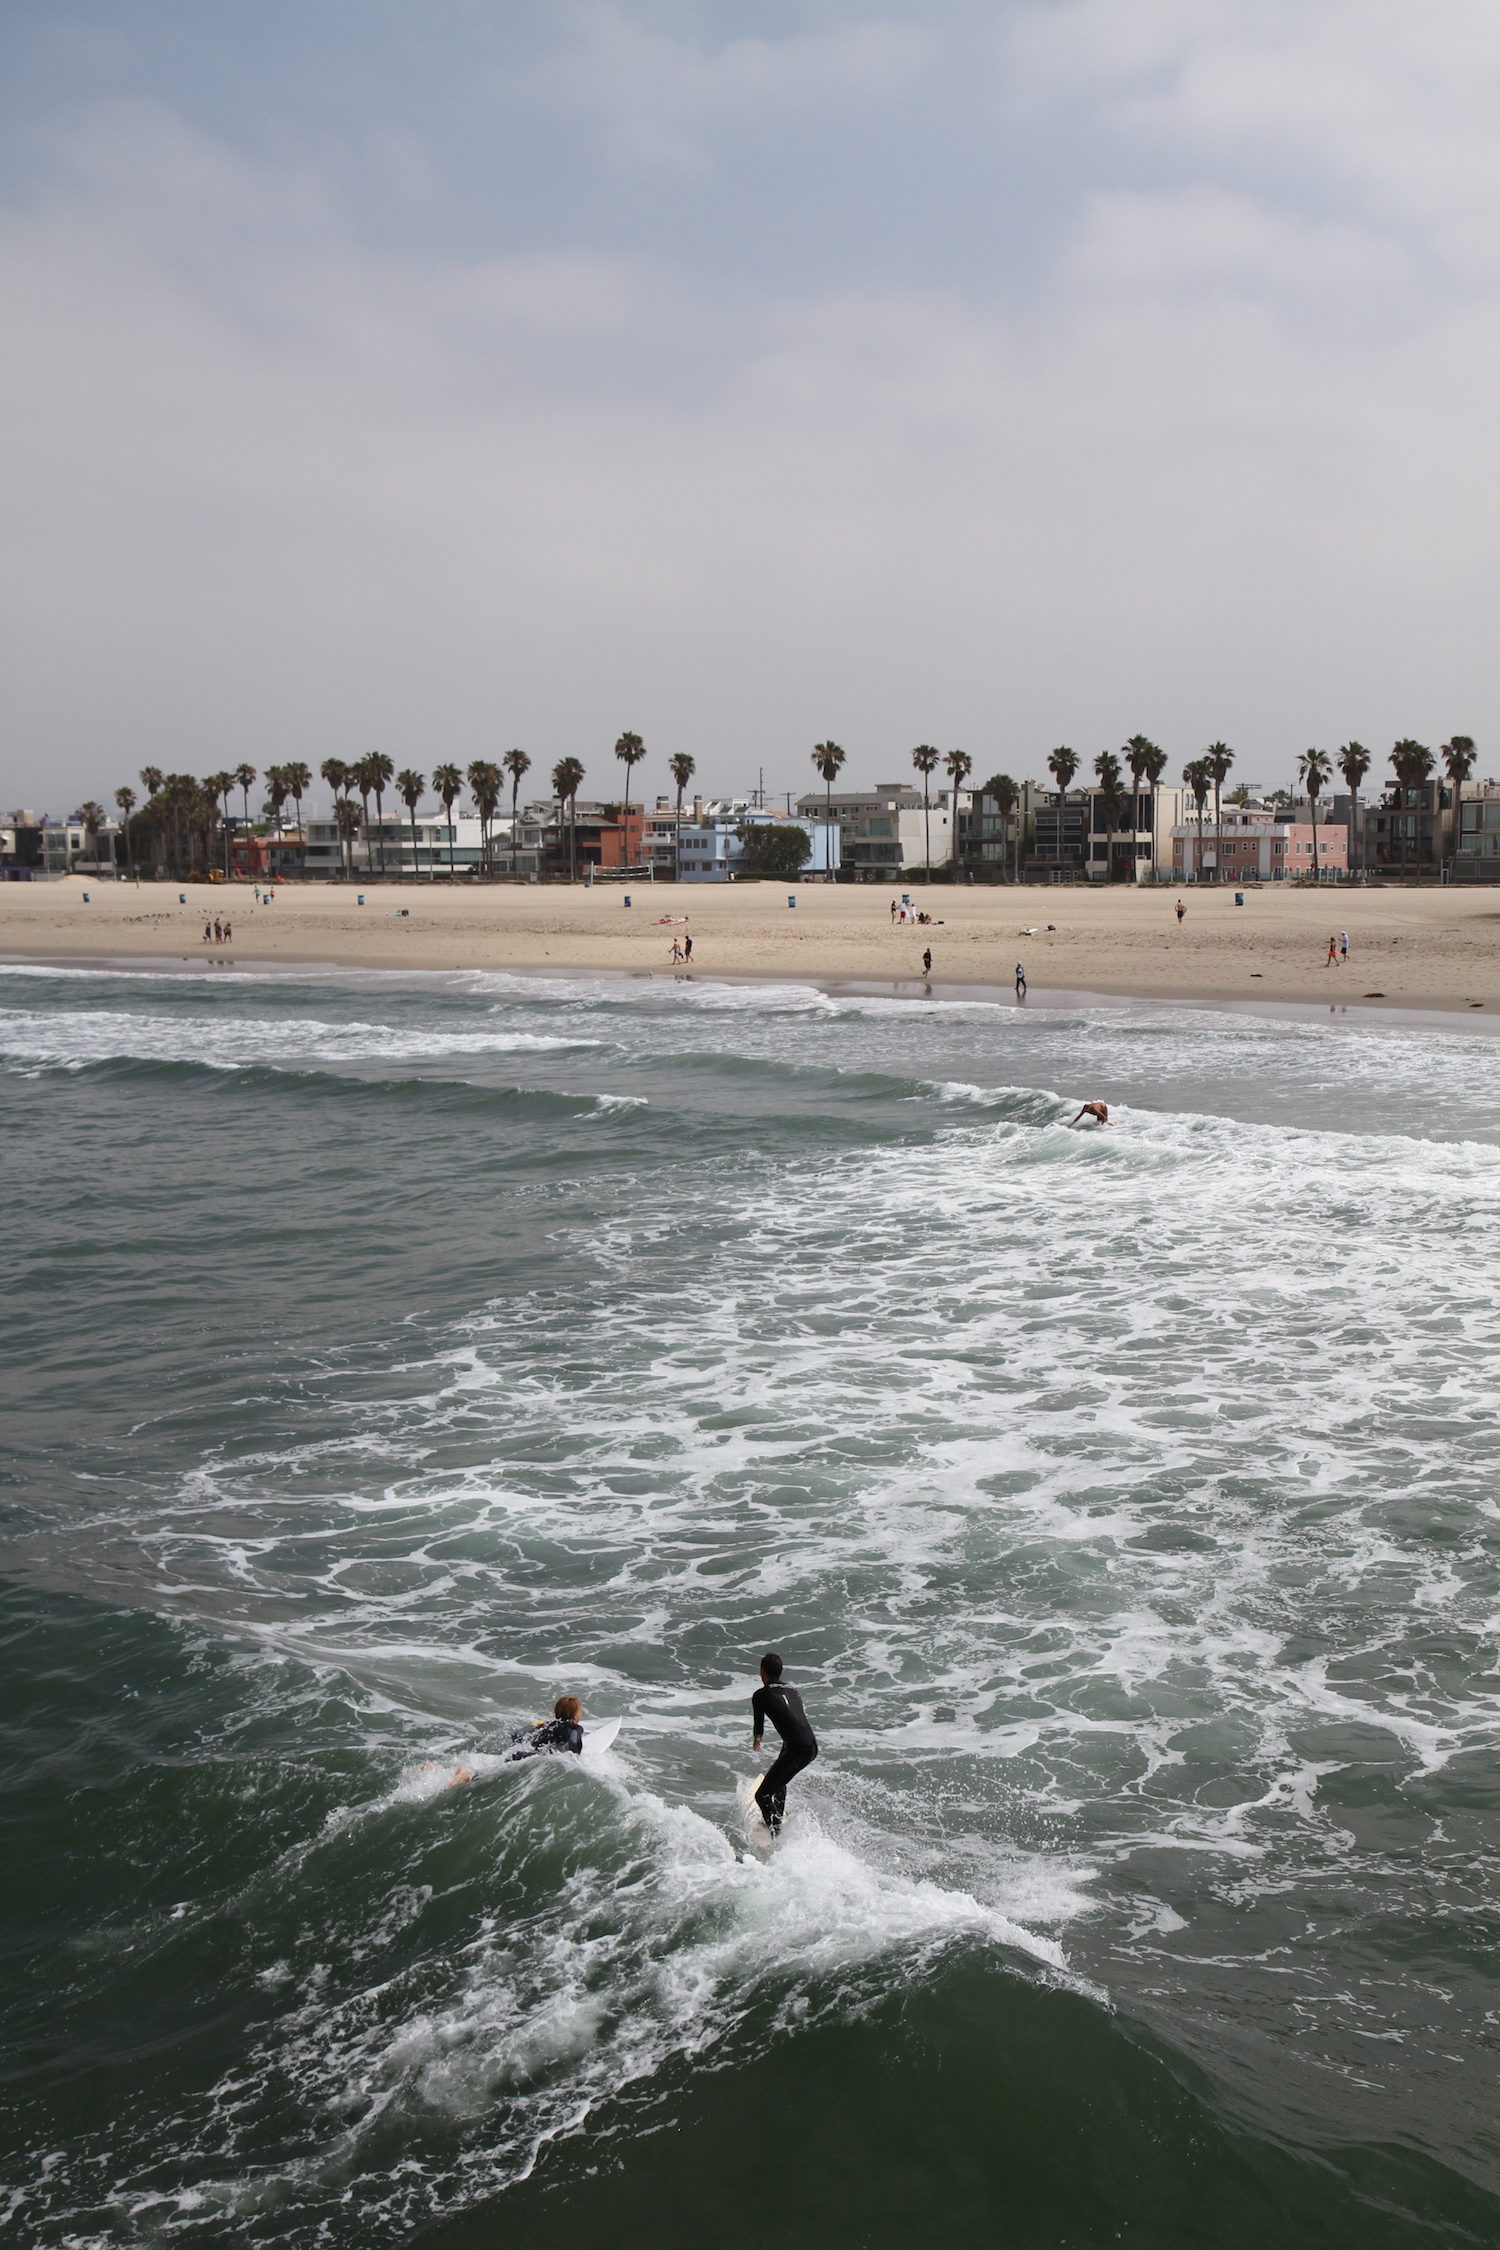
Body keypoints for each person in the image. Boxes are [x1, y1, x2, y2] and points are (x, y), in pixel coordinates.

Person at [751, 1653, 817, 1833]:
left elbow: (759, 1723)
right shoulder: (793, 1691)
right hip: (811, 1746)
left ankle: (777, 1836)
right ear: (780, 1672)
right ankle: (777, 1817)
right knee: (780, 1778)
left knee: (762, 1796)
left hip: (796, 1748)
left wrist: (757, 1739)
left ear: (762, 1672)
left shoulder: (760, 1695)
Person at [509, 1695, 586, 1759]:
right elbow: (573, 1741)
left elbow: (517, 1734)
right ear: (575, 1716)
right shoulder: (575, 1728)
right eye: (580, 1712)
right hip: (539, 1758)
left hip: (522, 1754)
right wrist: (576, 1758)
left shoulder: (545, 1724)